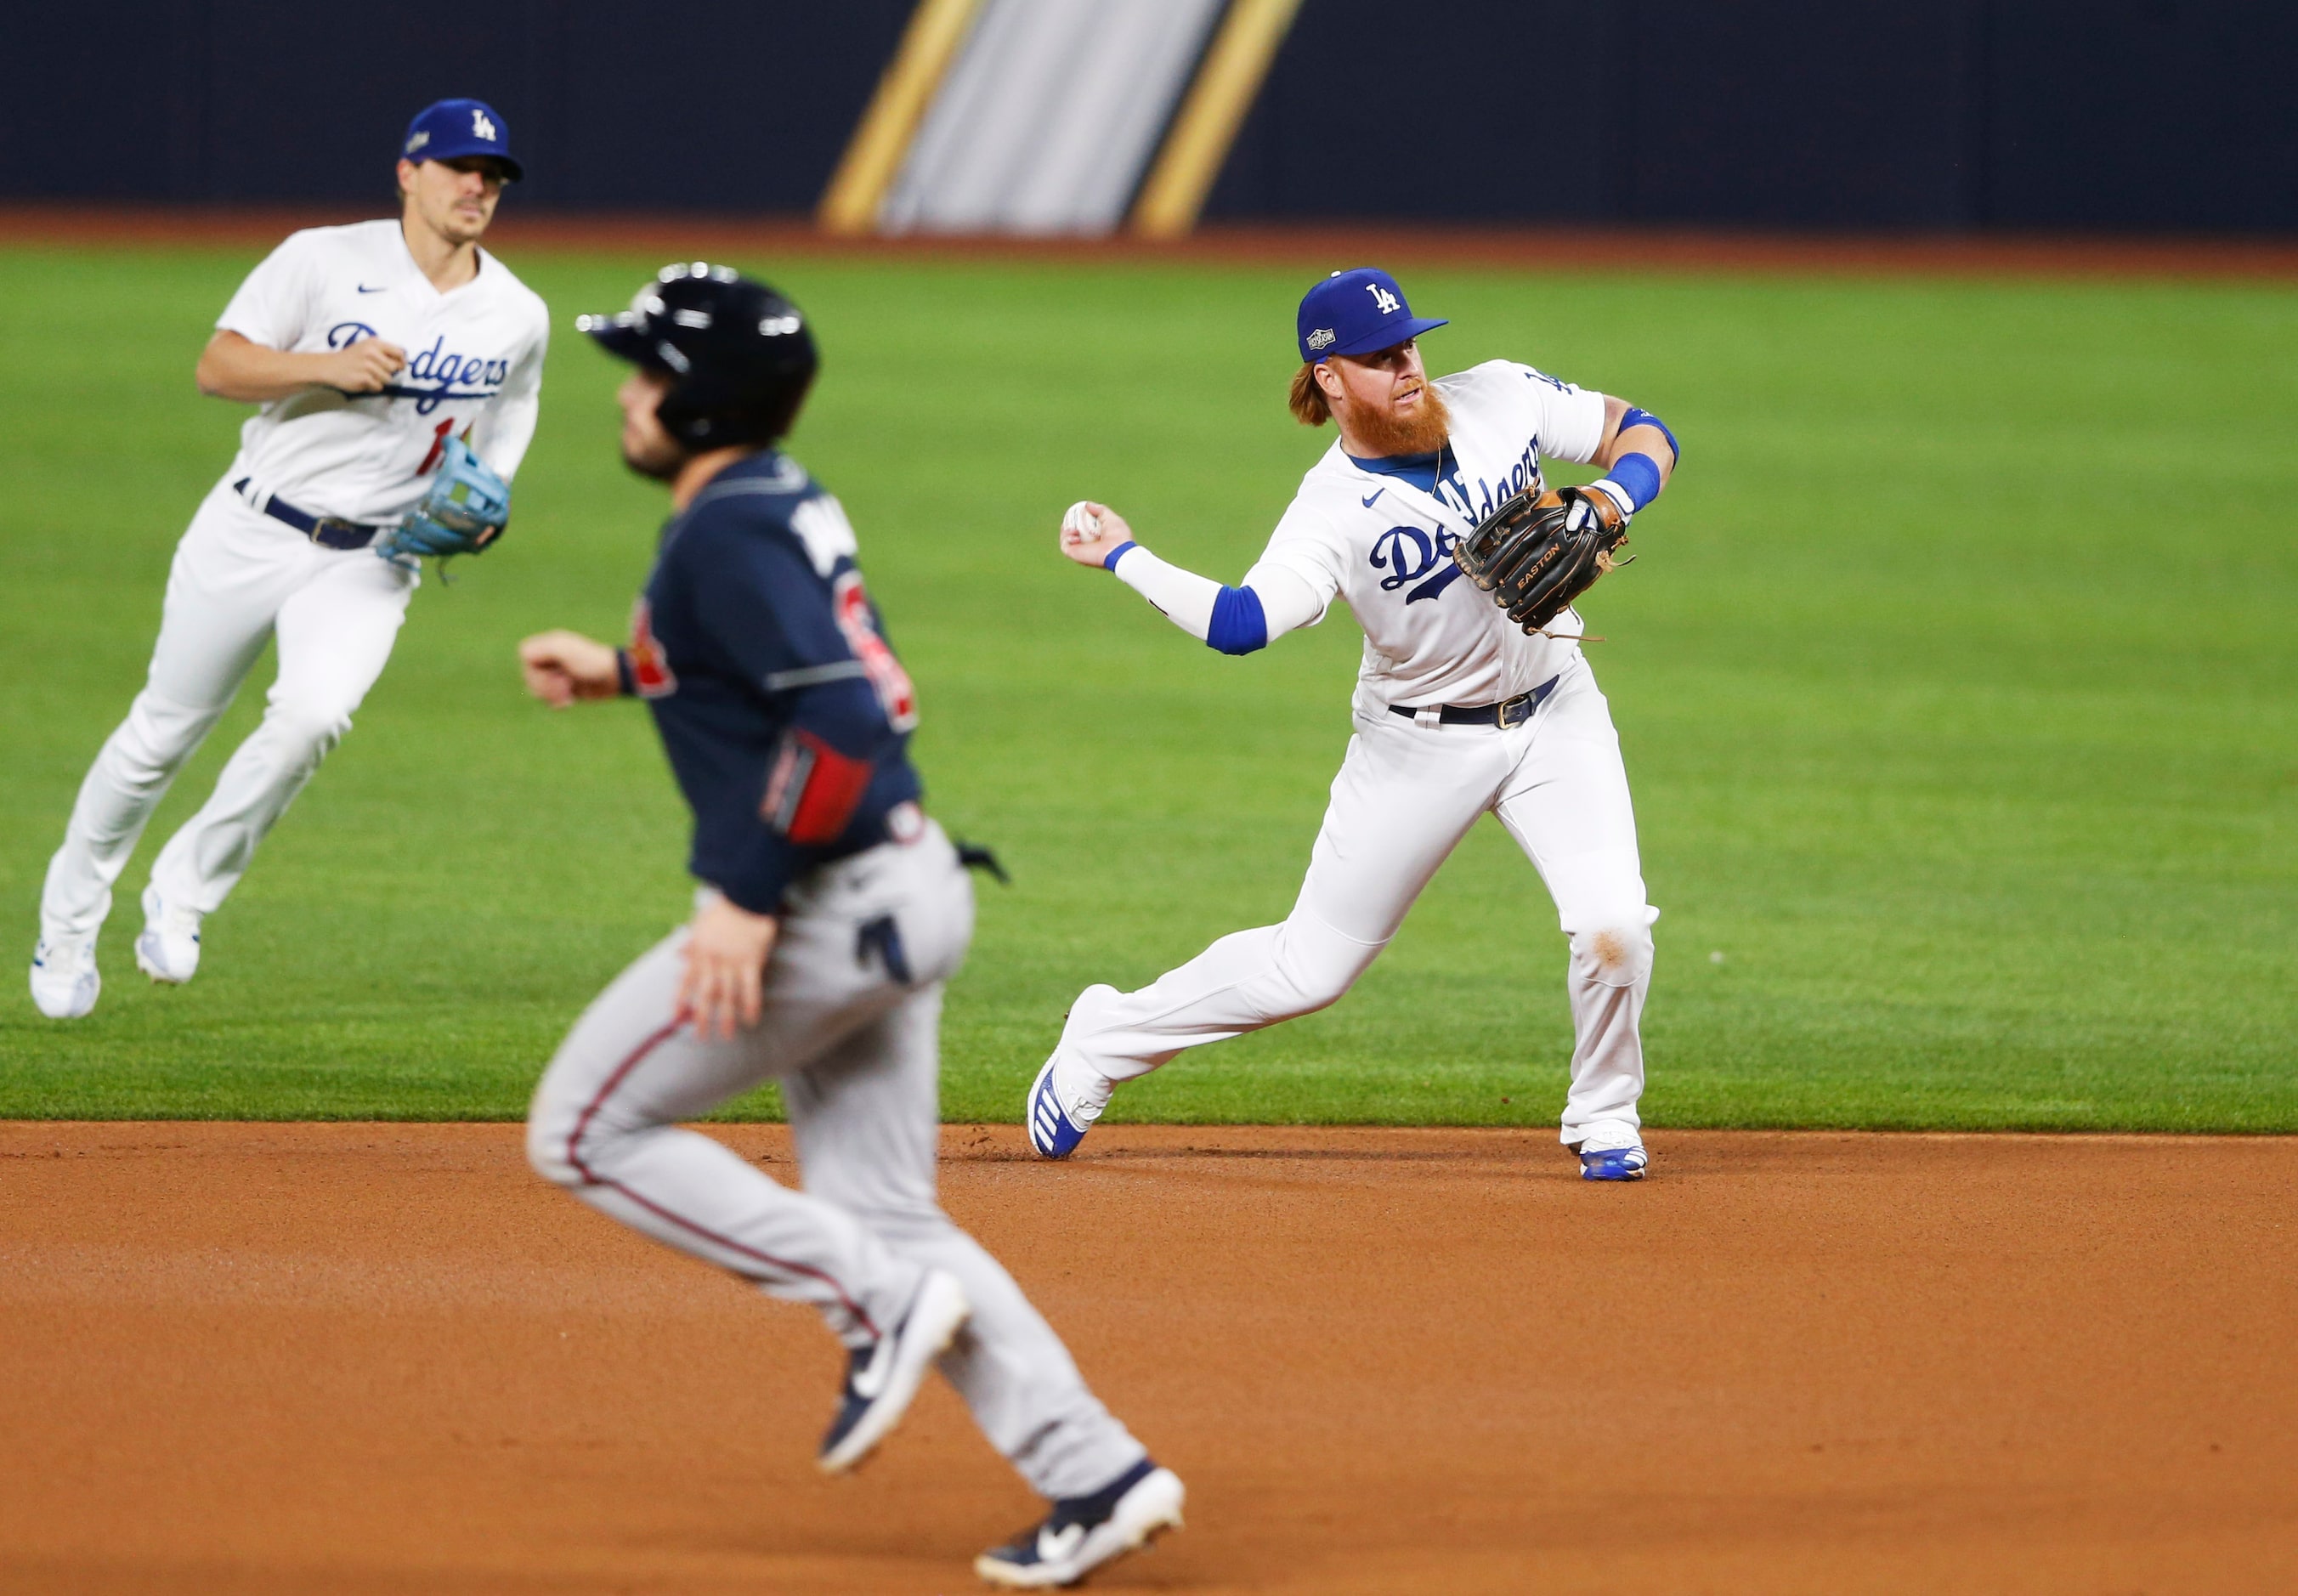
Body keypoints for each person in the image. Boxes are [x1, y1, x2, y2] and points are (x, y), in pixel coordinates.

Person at [518, 263, 1184, 1588]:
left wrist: (740, 901)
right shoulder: (770, 497)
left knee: (584, 1129)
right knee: (891, 1211)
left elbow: (842, 717)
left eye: (648, 372)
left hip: (830, 903)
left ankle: (868, 1301)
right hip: (906, 884)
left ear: (700, 400)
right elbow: (836, 673)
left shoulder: (719, 528)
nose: (631, 393)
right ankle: (1096, 1470)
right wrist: (626, 669)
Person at [1031, 267, 1681, 1181]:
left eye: (1408, 344)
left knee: (1615, 926)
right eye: (1378, 358)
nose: (1406, 366)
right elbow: (1241, 624)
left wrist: (1611, 497)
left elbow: (1643, 431)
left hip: (1555, 709)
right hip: (1417, 745)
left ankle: (1605, 1114)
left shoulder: (1501, 393)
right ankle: (1106, 1035)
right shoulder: (1329, 511)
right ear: (1330, 377)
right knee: (1308, 973)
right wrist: (1124, 556)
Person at [30, 98, 548, 1019]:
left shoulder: (515, 312)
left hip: (375, 559)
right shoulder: (322, 257)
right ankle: (68, 926)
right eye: (462, 167)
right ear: (408, 172)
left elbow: (512, 412)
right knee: (161, 736)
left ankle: (182, 893)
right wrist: (324, 365)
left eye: (495, 175)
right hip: (253, 528)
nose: (479, 186)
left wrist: (491, 499)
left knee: (314, 718)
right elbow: (218, 367)